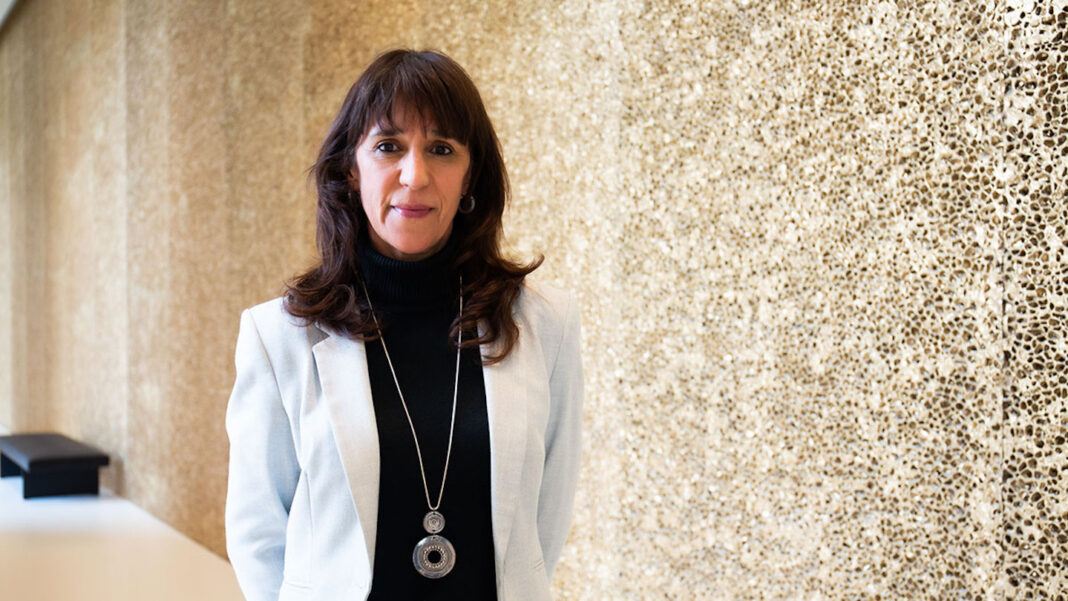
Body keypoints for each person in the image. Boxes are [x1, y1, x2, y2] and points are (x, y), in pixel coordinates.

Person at [224, 48, 584, 601]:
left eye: (441, 149)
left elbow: (545, 520)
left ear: (470, 178)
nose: (414, 176)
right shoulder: (280, 337)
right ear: (351, 169)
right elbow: (258, 530)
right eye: (388, 146)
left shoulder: (545, 324)